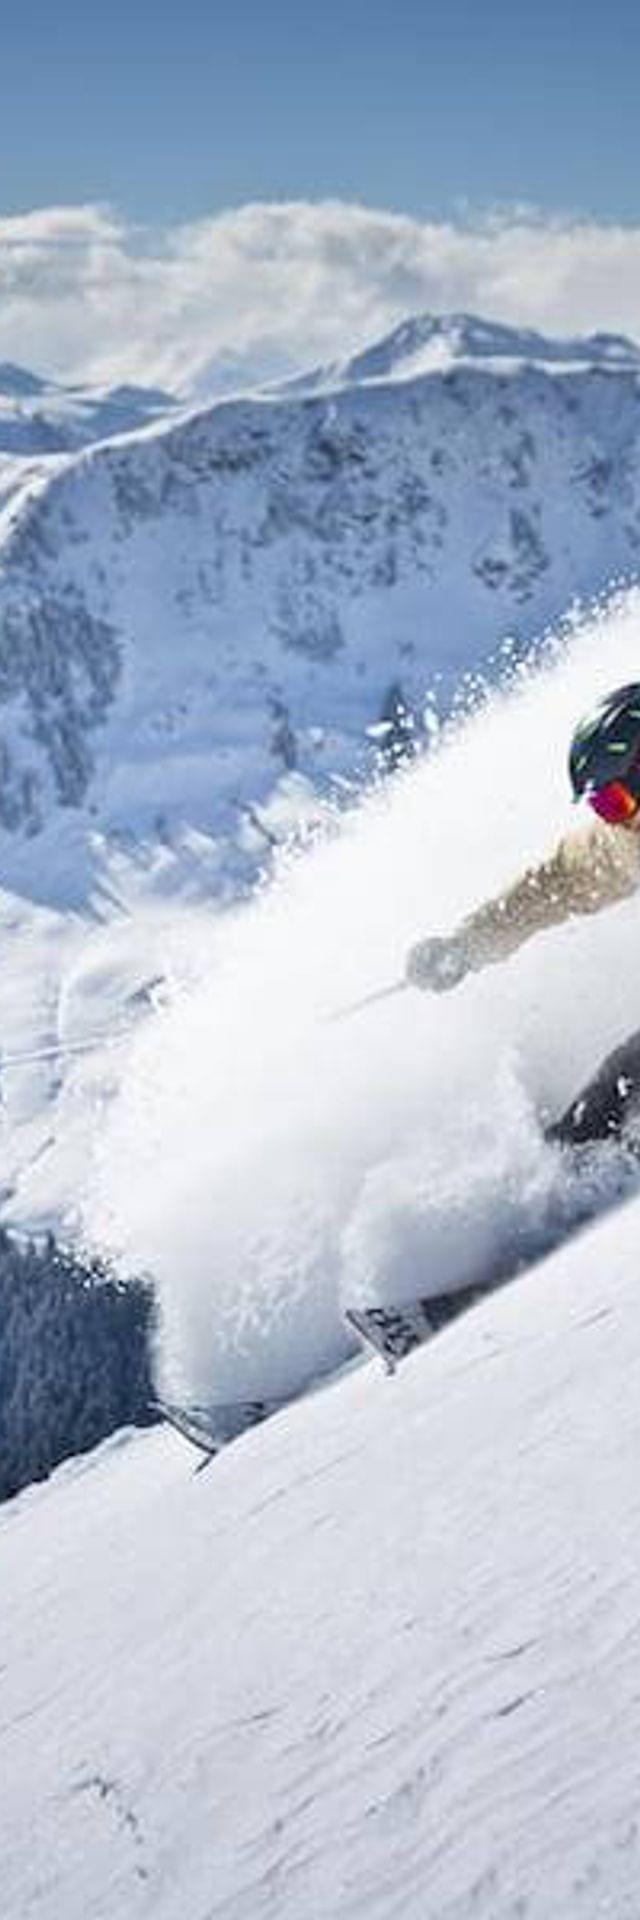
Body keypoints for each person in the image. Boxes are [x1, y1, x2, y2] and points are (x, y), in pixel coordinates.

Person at [406, 682, 640, 1148]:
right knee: (622, 1083)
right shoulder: (629, 840)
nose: (620, 818)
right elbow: (554, 884)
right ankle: (580, 1166)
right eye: (606, 807)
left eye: (618, 801)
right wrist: (465, 946)